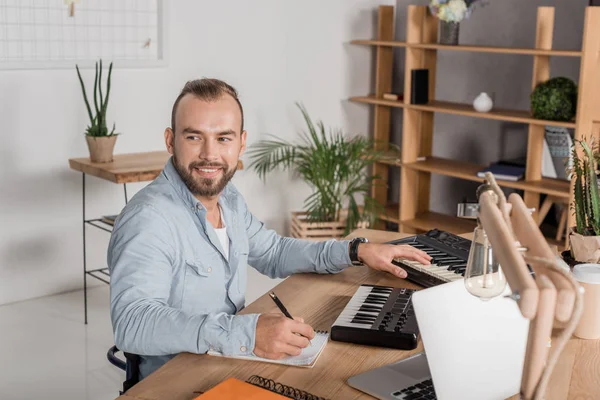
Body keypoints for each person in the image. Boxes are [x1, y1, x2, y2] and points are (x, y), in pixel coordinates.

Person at [108, 78, 431, 380]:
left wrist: (354, 250)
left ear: (241, 143)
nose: (209, 154)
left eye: (223, 138)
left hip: (228, 359)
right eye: (194, 137)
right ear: (170, 140)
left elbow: (273, 252)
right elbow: (133, 323)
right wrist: (248, 333)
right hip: (176, 378)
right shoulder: (148, 219)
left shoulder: (228, 199)